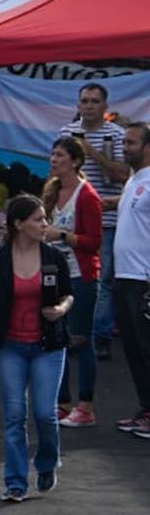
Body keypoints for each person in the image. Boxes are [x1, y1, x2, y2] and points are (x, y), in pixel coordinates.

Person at [0, 195, 74, 502]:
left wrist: (61, 309)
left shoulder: (53, 256)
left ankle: (46, 462)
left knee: (44, 413)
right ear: (19, 224)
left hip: (48, 345)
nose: (45, 225)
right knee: (14, 414)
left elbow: (69, 295)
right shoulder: (0, 259)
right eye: (39, 219)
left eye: (45, 219)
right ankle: (15, 482)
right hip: (11, 346)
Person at [57, 84, 128, 364]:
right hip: (70, 218)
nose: (88, 106)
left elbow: (122, 174)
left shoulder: (117, 135)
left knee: (104, 279)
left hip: (107, 218)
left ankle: (99, 336)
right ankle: (76, 333)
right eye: (84, 101)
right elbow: (56, 172)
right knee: (73, 276)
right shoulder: (66, 133)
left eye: (94, 101)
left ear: (104, 106)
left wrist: (90, 151)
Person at [41, 136, 103, 428]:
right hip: (56, 276)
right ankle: (63, 402)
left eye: (60, 156)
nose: (54, 160)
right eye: (52, 155)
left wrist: (63, 236)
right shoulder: (52, 190)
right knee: (58, 340)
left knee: (81, 340)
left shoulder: (87, 195)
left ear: (75, 161)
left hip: (82, 277)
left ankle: (86, 406)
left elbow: (94, 242)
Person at [106, 122, 150, 435]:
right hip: (124, 276)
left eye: (132, 143)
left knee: (147, 348)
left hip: (144, 279)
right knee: (133, 350)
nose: (125, 147)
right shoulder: (134, 180)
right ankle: (145, 409)